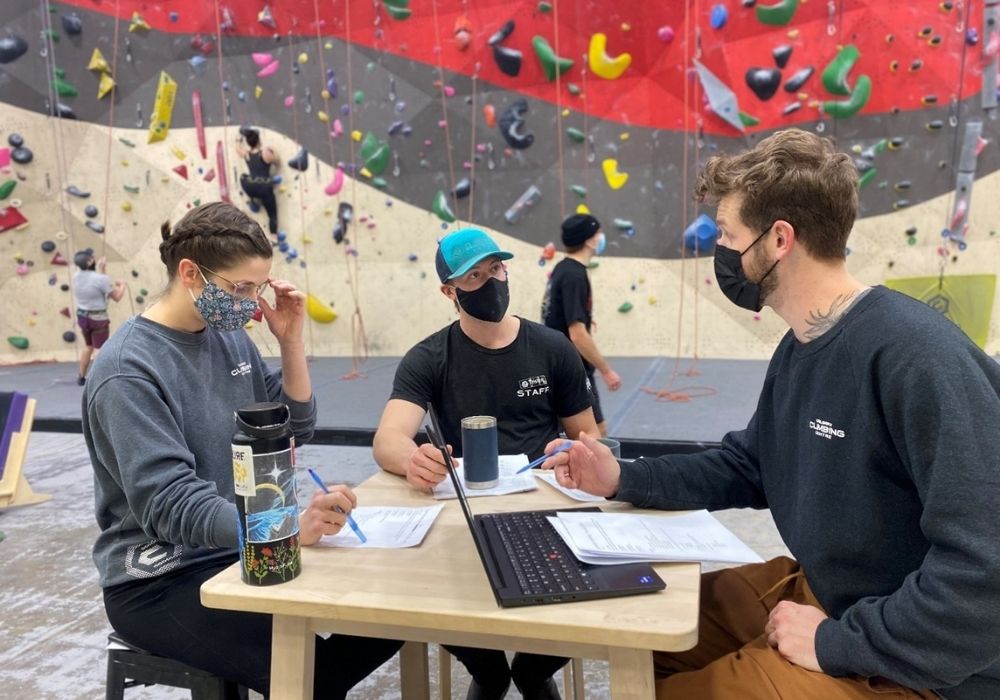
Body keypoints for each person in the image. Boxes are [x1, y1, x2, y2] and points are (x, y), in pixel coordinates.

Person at [543, 129, 1000, 700]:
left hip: (917, 656)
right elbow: (750, 464)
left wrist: (837, 644)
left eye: (729, 235)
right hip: (831, 592)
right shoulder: (801, 347)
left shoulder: (916, 356)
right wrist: (623, 477)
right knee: (643, 637)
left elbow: (986, 572)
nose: (721, 254)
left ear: (779, 238)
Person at [83, 202, 401, 698]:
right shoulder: (128, 370)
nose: (253, 304)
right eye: (241, 288)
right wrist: (286, 527)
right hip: (160, 576)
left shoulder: (228, 338)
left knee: (387, 614)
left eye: (259, 287)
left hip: (238, 548)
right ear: (190, 273)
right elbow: (172, 507)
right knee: (316, 672)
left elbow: (293, 429)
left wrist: (291, 342)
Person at [373, 227, 600, 700]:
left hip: (546, 514)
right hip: (466, 520)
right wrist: (416, 460)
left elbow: (588, 433)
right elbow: (389, 438)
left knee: (556, 636)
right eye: (473, 277)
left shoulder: (553, 348)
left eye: (495, 269)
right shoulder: (429, 357)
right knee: (441, 604)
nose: (490, 282)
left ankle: (530, 671)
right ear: (449, 291)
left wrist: (572, 451)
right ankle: (492, 671)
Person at [542, 213, 622, 436]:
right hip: (571, 368)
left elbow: (559, 312)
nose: (601, 237)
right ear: (589, 240)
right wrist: (607, 371)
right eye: (598, 233)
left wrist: (585, 319)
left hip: (557, 363)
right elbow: (577, 334)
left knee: (580, 435)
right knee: (596, 435)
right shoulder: (574, 276)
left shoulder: (563, 269)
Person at [73, 248, 125, 385]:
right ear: (90, 261)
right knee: (99, 349)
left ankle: (81, 377)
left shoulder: (75, 277)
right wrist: (122, 285)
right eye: (92, 258)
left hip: (82, 317)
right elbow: (116, 297)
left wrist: (102, 270)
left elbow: (97, 284)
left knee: (88, 346)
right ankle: (98, 381)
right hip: (98, 319)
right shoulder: (101, 279)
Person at [235, 125, 280, 236]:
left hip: (250, 186)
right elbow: (277, 162)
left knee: (243, 177)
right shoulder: (265, 153)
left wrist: (238, 138)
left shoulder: (246, 154)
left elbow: (237, 149)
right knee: (272, 215)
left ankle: (253, 199)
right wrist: (272, 152)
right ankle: (273, 236)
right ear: (259, 140)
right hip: (264, 187)